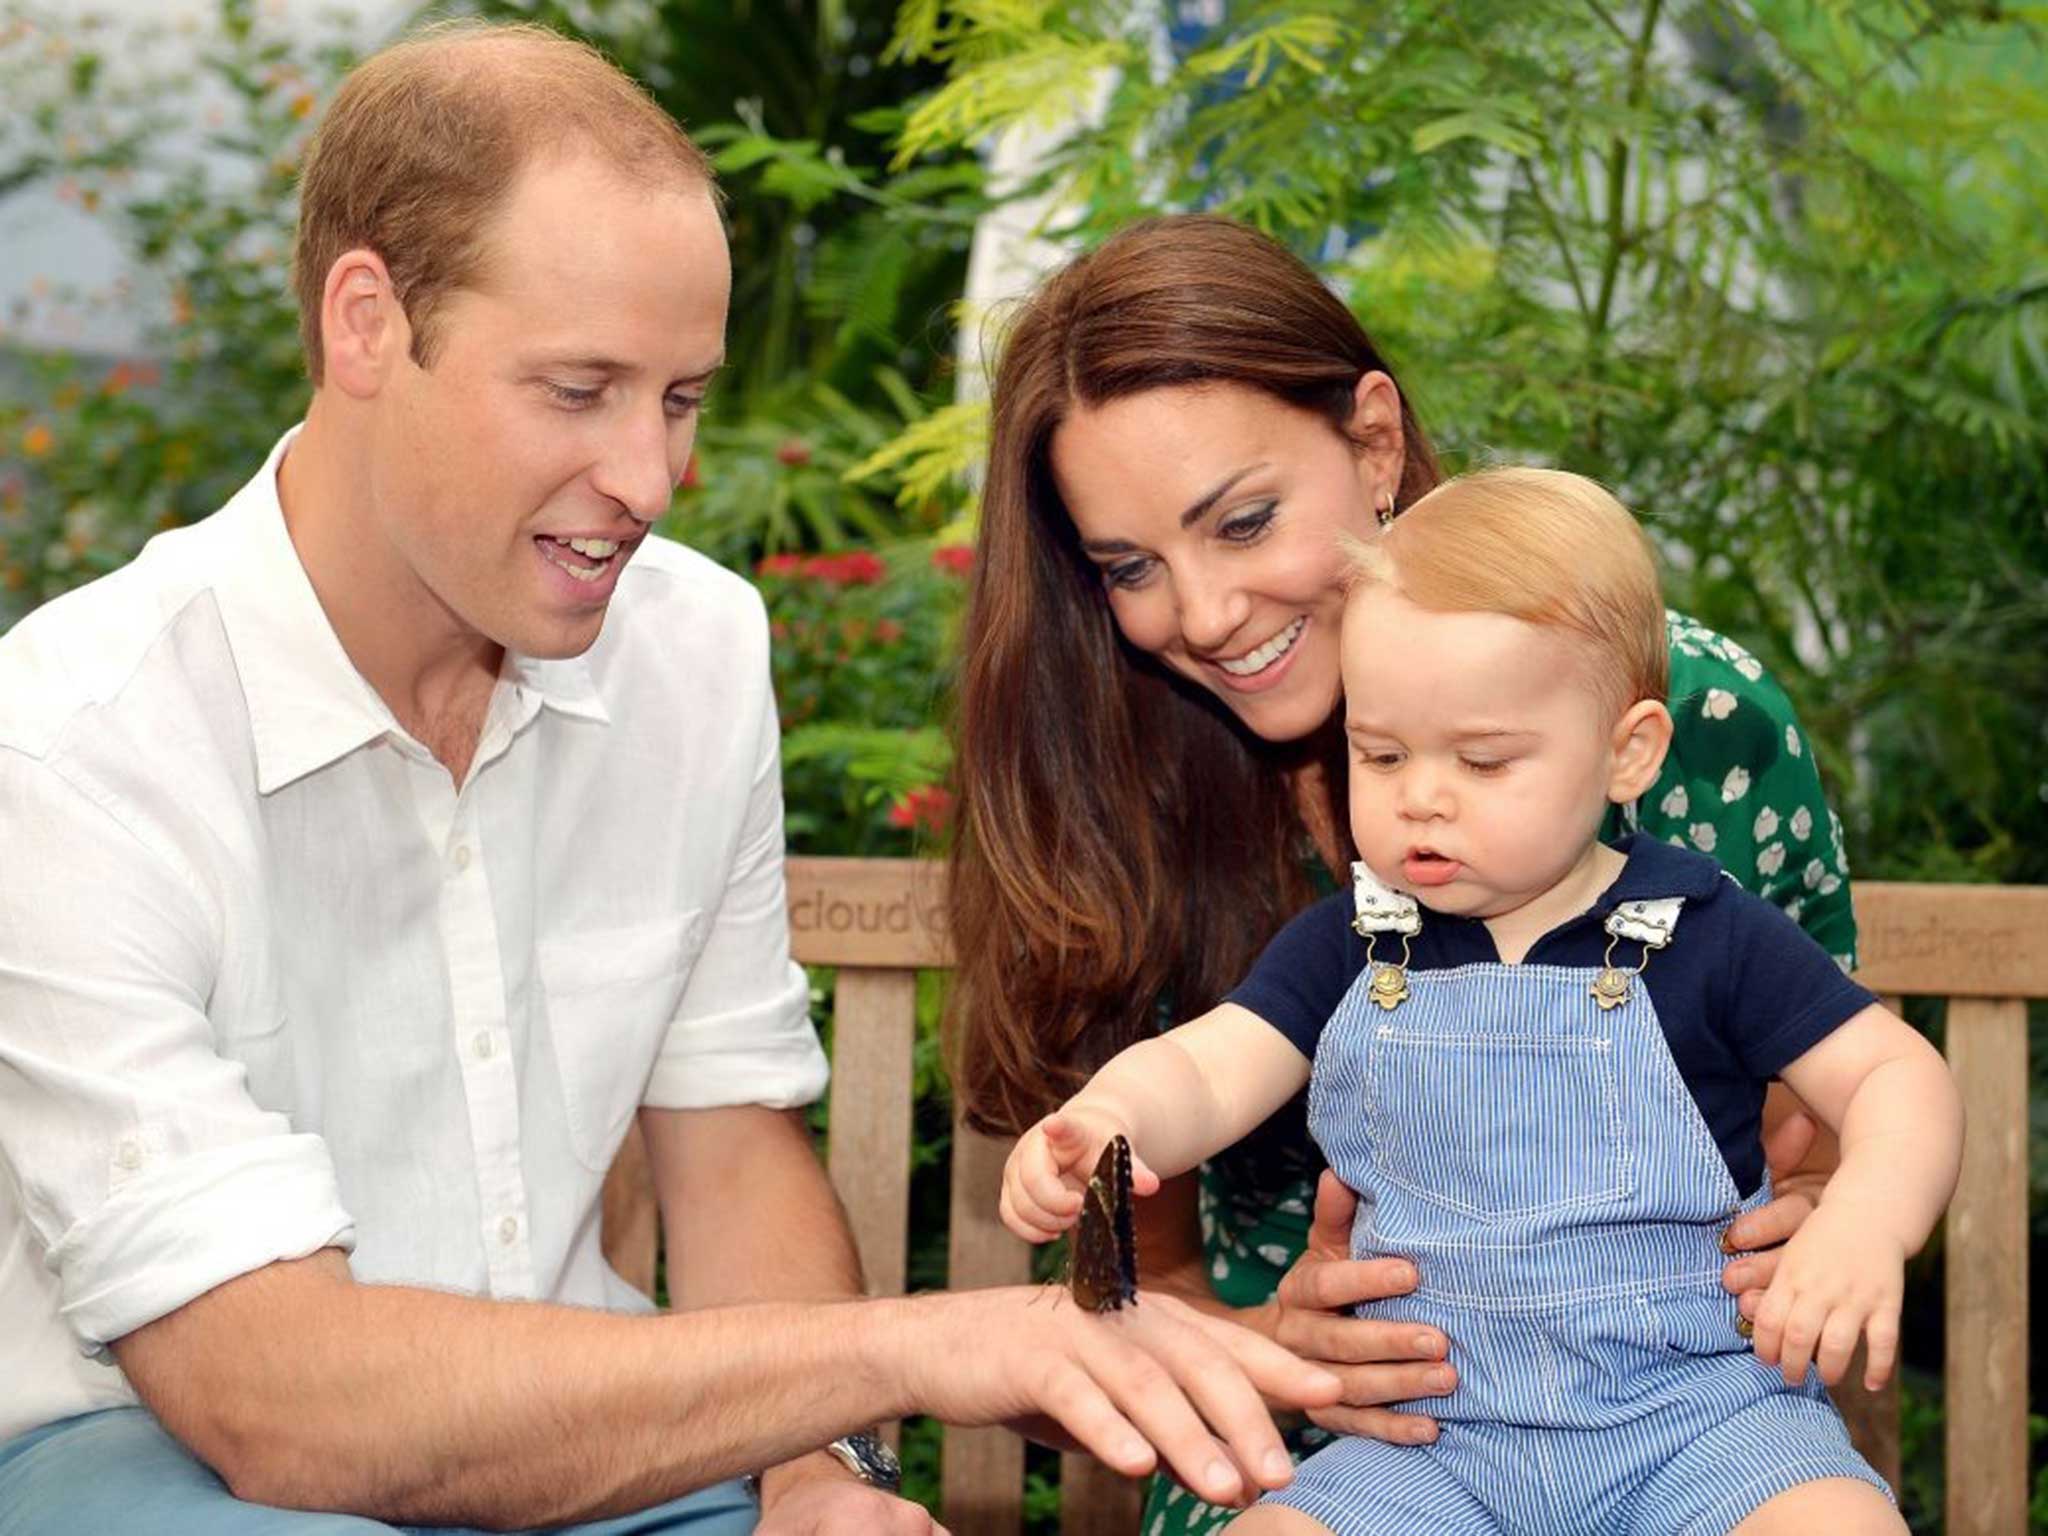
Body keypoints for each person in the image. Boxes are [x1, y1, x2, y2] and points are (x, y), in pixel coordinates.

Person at [0, 25, 1345, 1536]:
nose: (652, 478)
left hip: (618, 1458)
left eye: (683, 399)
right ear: (367, 324)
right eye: (580, 391)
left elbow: (726, 1150)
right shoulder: (73, 744)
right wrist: (902, 1348)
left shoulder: (692, 650)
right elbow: (274, 1404)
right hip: (166, 1469)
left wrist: (815, 1476)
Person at [946, 213, 1864, 1533]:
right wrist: (1273, 1344)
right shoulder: (1119, 793)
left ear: (1373, 442)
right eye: (1132, 569)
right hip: (1335, 1459)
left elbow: (1837, 1127)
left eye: (1244, 520)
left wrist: (1825, 1218)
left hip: (1678, 1428)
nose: (1200, 616)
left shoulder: (1674, 717)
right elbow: (1114, 1317)